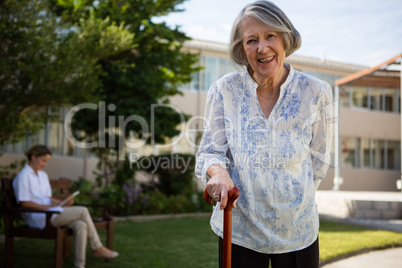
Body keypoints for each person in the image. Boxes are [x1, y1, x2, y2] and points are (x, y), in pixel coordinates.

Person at [195, 1, 333, 267]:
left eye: (270, 35)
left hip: (298, 233)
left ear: (285, 38)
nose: (262, 48)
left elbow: (318, 161)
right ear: (241, 47)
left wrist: (290, 198)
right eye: (251, 40)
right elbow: (210, 151)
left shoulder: (316, 92)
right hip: (240, 231)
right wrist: (220, 172)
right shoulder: (224, 91)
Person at [13, 145, 118, 268]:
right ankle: (97, 247)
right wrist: (47, 208)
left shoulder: (42, 175)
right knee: (83, 211)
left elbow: (47, 198)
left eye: (47, 161)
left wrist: (58, 203)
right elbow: (24, 203)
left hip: (51, 214)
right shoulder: (23, 177)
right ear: (33, 157)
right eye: (43, 161)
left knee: (81, 225)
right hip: (39, 218)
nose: (45, 164)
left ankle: (79, 265)